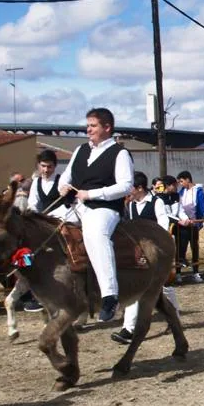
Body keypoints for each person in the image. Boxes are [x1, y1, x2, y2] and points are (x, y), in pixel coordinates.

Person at [57, 107, 133, 322]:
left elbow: (126, 186)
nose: (88, 129)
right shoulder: (80, 150)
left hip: (105, 208)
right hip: (76, 205)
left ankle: (110, 295)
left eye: (93, 125)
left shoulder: (120, 153)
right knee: (41, 223)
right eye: (88, 125)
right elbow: (66, 177)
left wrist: (92, 193)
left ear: (107, 127)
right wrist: (62, 187)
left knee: (95, 234)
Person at [111, 171, 181, 345]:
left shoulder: (156, 202)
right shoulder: (131, 205)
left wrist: (155, 244)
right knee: (136, 287)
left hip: (156, 251)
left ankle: (175, 320)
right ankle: (128, 329)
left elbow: (164, 223)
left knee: (165, 288)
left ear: (140, 188)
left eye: (131, 188)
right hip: (138, 252)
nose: (129, 192)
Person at [175, 171, 204, 283]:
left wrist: (198, 222)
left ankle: (196, 272)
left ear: (188, 179)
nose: (181, 184)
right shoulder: (181, 192)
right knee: (181, 249)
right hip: (183, 225)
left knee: (195, 249)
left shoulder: (198, 191)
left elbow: (202, 209)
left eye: (182, 181)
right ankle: (178, 273)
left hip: (194, 224)